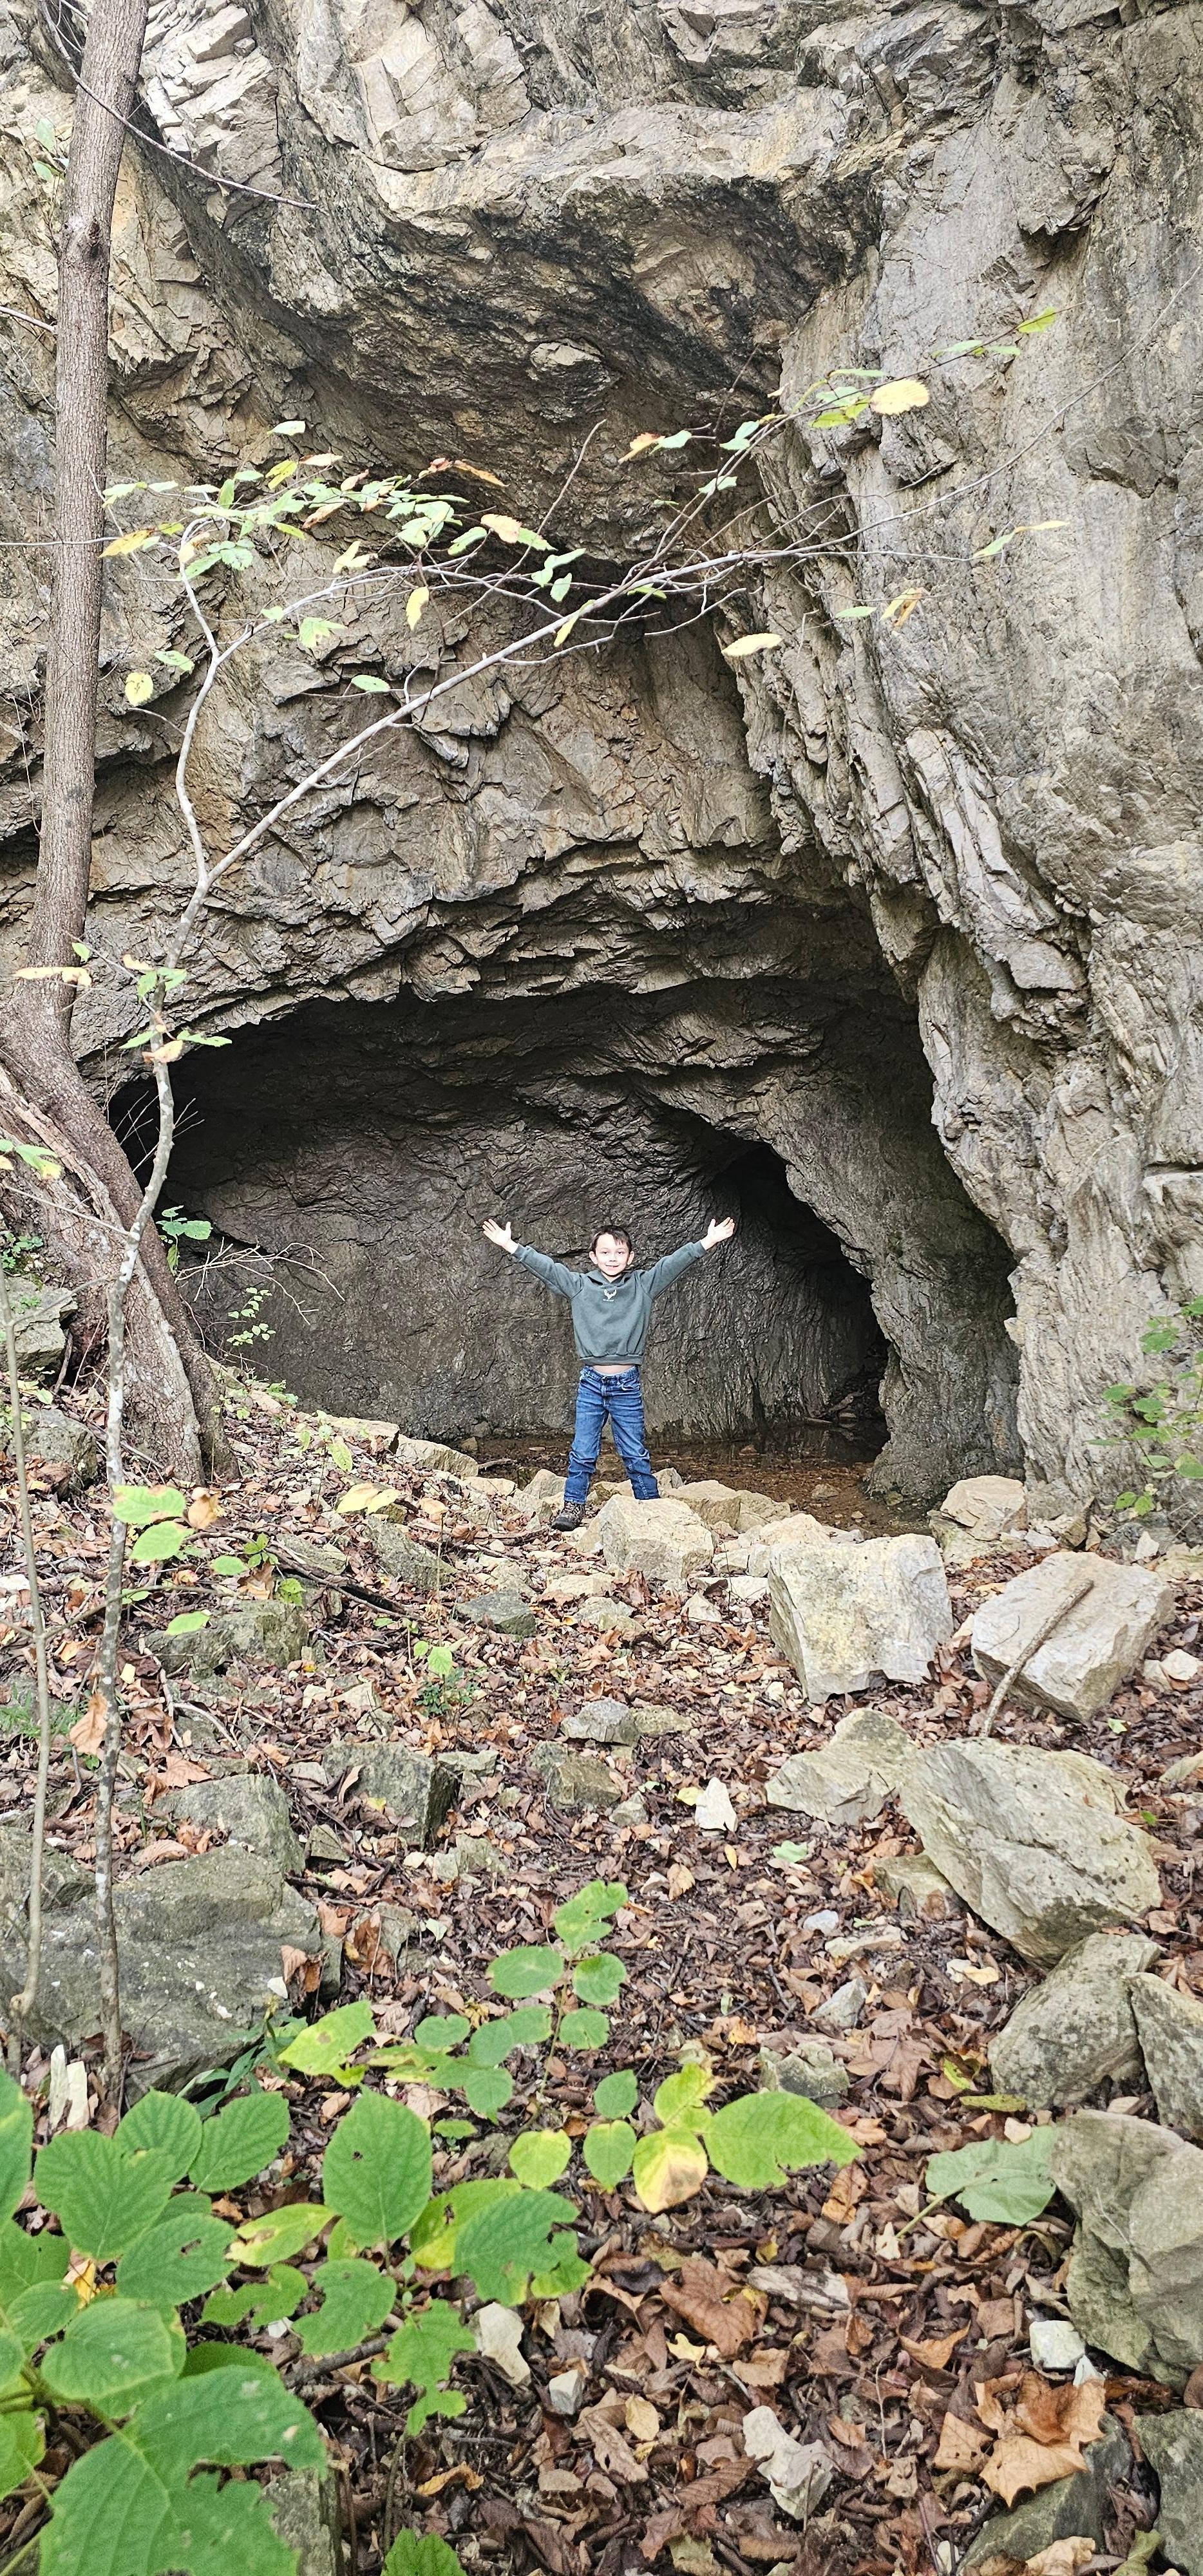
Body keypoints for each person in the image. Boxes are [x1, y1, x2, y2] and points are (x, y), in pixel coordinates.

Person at [481, 1213, 736, 1530]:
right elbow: (547, 1268)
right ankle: (573, 1508)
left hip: (626, 1383)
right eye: (605, 1252)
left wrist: (708, 1241)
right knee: (583, 1449)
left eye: (619, 1252)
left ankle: (650, 1508)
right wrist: (510, 1245)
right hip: (591, 1382)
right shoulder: (580, 1286)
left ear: (630, 1257)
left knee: (633, 1451)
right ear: (593, 1257)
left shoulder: (643, 1284)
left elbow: (673, 1264)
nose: (612, 1258)